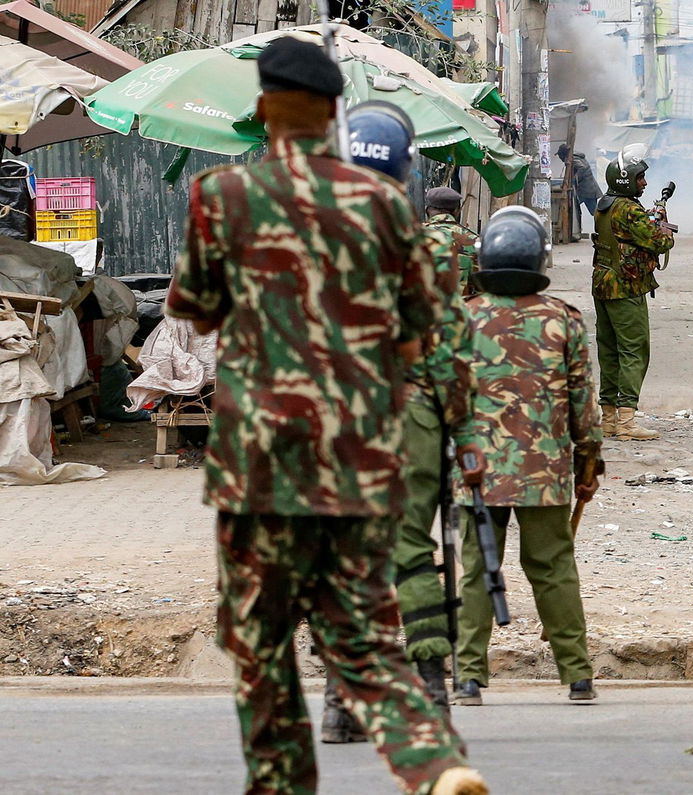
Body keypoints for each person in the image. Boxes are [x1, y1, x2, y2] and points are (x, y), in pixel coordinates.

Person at [165, 37, 485, 795]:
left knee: (263, 645)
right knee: (368, 640)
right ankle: (438, 766)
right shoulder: (381, 204)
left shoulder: (222, 196)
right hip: (357, 461)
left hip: (259, 467)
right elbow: (421, 333)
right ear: (335, 114)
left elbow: (196, 313)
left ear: (265, 108)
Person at [318, 102, 484, 742]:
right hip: (412, 412)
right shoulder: (427, 249)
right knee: (414, 555)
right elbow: (448, 349)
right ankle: (432, 692)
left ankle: (340, 702)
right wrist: (464, 435)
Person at [453, 206, 603, 706]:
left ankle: (469, 677)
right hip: (546, 469)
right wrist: (589, 461)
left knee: (477, 569)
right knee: (554, 565)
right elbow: (583, 401)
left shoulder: (462, 318)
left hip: (477, 469)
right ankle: (577, 675)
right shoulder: (563, 319)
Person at [591, 145, 674, 440]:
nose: (645, 183)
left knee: (609, 351)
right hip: (625, 287)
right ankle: (627, 422)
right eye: (640, 178)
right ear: (626, 179)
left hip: (602, 284)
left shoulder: (606, 204)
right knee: (633, 351)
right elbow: (659, 242)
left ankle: (609, 418)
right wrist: (661, 224)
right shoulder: (628, 209)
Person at [425, 186, 480, 297]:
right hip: (462, 311)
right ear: (456, 211)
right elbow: (481, 287)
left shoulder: (414, 235)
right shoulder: (475, 241)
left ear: (427, 210)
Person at [558, 143, 602, 237]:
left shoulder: (573, 158)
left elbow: (582, 168)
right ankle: (578, 230)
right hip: (585, 189)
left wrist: (574, 179)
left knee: (594, 212)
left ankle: (602, 230)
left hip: (587, 190)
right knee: (577, 208)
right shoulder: (575, 156)